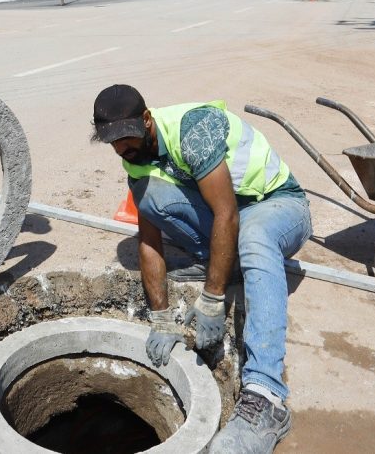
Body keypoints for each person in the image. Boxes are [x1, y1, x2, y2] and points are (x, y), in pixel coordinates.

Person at [91, 84, 312, 454]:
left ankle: (267, 398)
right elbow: (149, 240)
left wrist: (212, 297)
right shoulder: (135, 154)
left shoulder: (193, 129)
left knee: (255, 237)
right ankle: (233, 266)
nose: (121, 147)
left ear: (146, 120)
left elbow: (227, 214)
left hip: (277, 205)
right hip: (231, 215)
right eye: (113, 141)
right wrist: (160, 316)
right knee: (150, 197)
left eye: (127, 136)